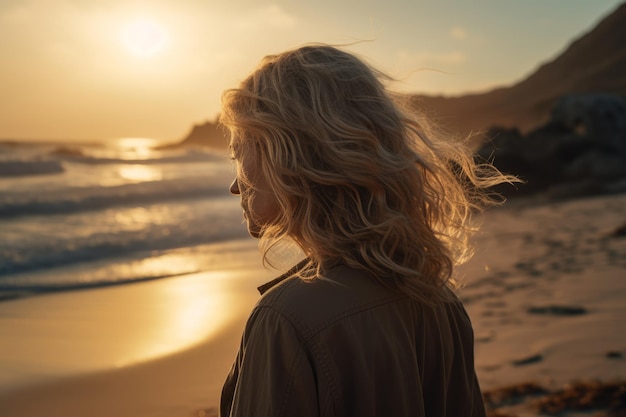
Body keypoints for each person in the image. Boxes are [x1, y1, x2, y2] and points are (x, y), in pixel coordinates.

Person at [219, 44, 512, 417]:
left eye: (239, 153)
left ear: (287, 154)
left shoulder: (286, 319)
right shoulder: (439, 298)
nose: (234, 184)